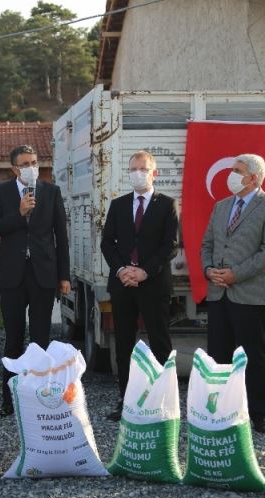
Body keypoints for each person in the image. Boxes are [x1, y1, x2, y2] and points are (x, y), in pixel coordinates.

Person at [200, 154, 265, 433]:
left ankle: (258, 414)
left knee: (252, 356)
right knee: (218, 355)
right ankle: (220, 411)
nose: (232, 175)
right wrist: (209, 270)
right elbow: (207, 244)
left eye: (238, 170)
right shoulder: (221, 206)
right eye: (232, 169)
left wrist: (236, 274)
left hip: (251, 293)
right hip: (219, 292)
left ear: (254, 177)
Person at [0, 145, 71, 417]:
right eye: (25, 164)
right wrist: (19, 213)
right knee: (13, 339)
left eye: (34, 162)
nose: (31, 167)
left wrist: (64, 275)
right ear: (14, 168)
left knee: (40, 340)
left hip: (43, 274)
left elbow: (61, 236)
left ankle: (38, 399)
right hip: (12, 276)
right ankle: (8, 400)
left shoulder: (51, 191)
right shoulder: (2, 193)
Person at [100, 150, 179, 421]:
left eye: (143, 169)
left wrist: (145, 272)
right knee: (124, 345)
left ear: (154, 173)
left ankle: (162, 401)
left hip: (153, 284)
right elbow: (107, 242)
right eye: (133, 169)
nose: (137, 173)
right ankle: (126, 400)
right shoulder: (119, 205)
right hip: (122, 284)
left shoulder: (167, 204)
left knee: (160, 342)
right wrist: (122, 270)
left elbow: (170, 245)